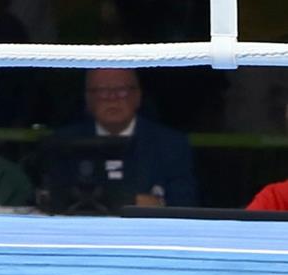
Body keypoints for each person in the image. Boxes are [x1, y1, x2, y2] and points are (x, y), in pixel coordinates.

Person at [44, 68, 199, 208]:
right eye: (102, 91)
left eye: (121, 90)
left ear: (138, 96)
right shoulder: (63, 142)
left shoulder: (171, 145)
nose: (112, 98)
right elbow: (51, 198)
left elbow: (185, 203)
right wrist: (127, 201)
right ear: (88, 99)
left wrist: (159, 203)